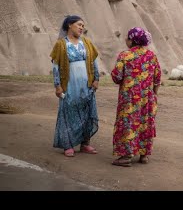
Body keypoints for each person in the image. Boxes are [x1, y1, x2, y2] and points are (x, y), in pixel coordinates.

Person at [110, 27, 162, 167]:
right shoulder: (152, 56)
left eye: (127, 38)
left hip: (130, 99)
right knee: (145, 123)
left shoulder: (125, 56)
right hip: (147, 98)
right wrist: (154, 95)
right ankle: (144, 155)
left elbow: (117, 76)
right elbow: (158, 78)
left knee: (128, 124)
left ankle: (126, 157)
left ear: (132, 40)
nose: (126, 40)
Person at [50, 15, 100, 157]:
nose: (81, 28)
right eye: (79, 25)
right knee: (68, 114)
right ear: (69, 25)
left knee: (87, 113)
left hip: (87, 85)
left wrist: (96, 79)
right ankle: (68, 144)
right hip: (70, 85)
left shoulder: (87, 43)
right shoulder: (61, 44)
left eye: (83, 26)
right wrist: (57, 85)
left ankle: (85, 144)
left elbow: (94, 62)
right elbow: (55, 66)